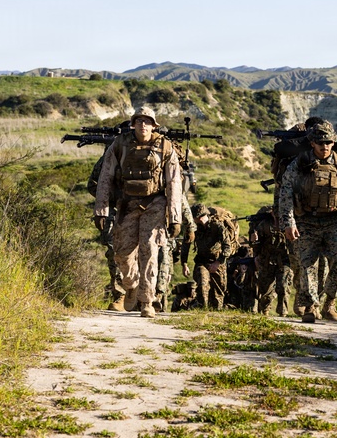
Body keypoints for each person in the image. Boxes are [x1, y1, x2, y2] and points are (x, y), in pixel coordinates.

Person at [94, 107, 183, 318]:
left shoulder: (165, 147)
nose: (143, 125)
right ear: (133, 124)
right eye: (139, 121)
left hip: (155, 204)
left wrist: (175, 216)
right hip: (127, 204)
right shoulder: (120, 144)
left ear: (154, 125)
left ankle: (147, 301)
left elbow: (174, 182)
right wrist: (101, 209)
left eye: (147, 121)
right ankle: (132, 285)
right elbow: (105, 177)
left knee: (150, 250)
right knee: (122, 254)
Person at [278, 121, 337, 323]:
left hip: (335, 220)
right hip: (306, 221)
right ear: (312, 144)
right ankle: (310, 306)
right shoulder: (298, 165)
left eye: (328, 142)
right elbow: (286, 195)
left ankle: (330, 303)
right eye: (320, 143)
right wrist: (288, 223)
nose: (324, 146)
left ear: (333, 143)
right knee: (307, 264)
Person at [181, 204, 239, 309]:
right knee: (203, 285)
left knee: (217, 297)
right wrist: (184, 264)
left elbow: (227, 247)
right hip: (202, 262)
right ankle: (202, 310)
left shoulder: (217, 226)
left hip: (217, 262)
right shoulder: (194, 228)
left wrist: (218, 263)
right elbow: (186, 244)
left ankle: (215, 314)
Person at [248, 205, 293, 316]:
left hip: (284, 260)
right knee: (265, 289)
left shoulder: (289, 225)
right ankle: (265, 310)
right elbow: (256, 246)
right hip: (267, 260)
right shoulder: (264, 226)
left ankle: (283, 311)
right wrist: (254, 241)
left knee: (283, 285)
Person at [155, 192, 195, 313]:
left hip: (165, 235)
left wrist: (190, 229)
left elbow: (186, 211)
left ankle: (158, 298)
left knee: (164, 267)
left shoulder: (173, 188)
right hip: (145, 231)